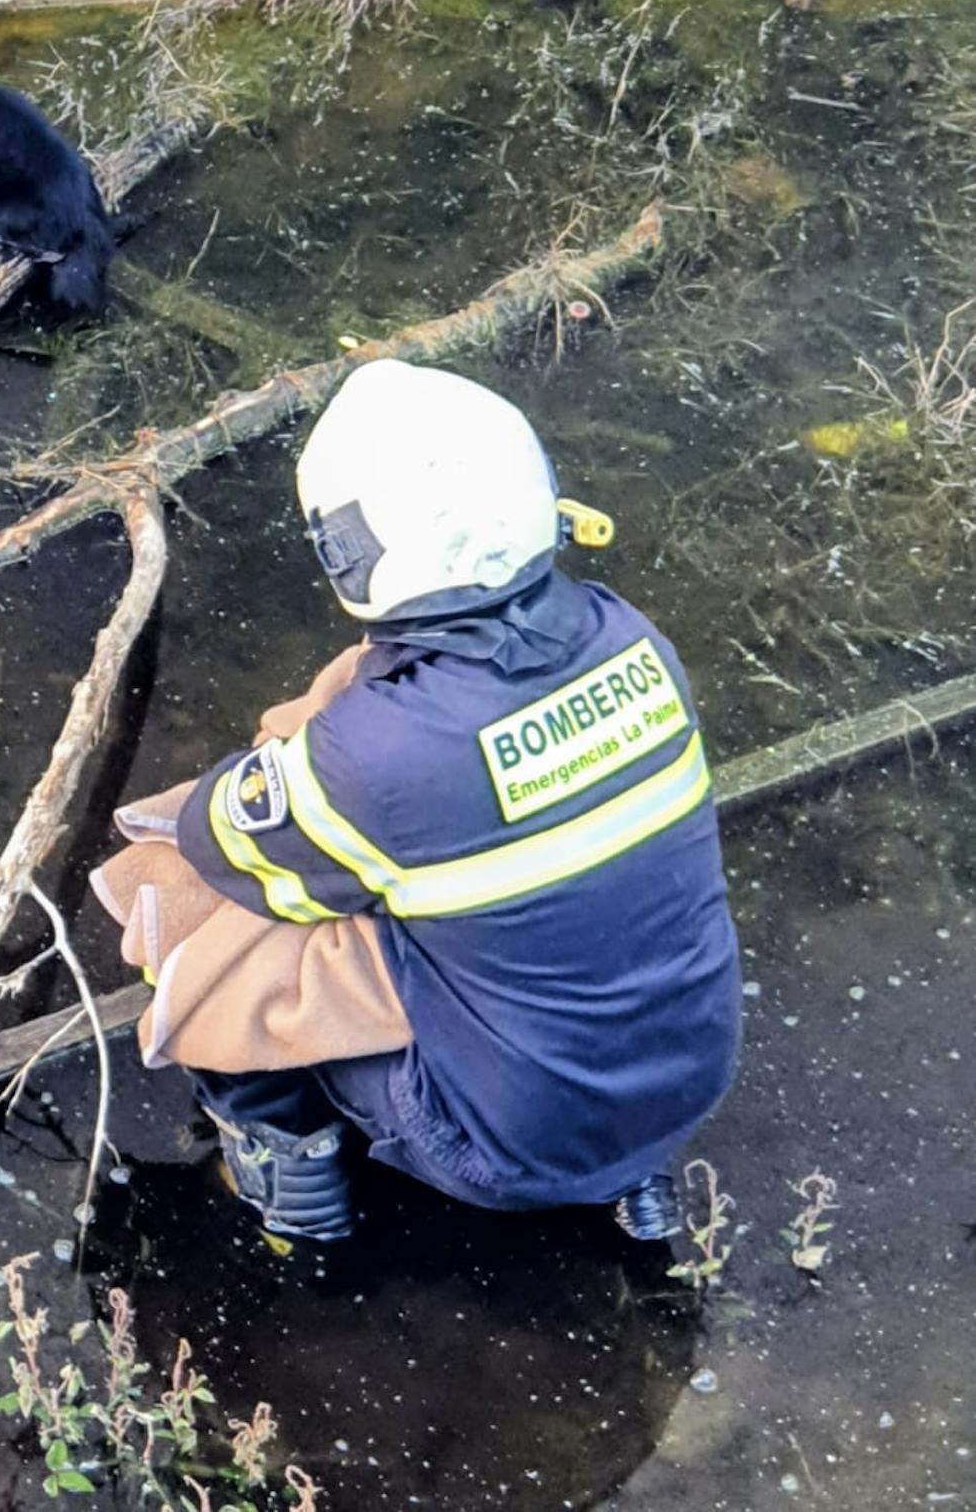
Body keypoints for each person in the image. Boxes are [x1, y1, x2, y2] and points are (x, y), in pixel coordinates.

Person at [89, 360, 741, 1244]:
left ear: (350, 549)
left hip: (499, 1155)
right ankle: (631, 1180)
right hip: (682, 1089)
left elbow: (219, 840)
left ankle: (290, 1171)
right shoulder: (632, 638)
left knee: (197, 921)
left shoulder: (376, 754)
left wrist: (304, 739)